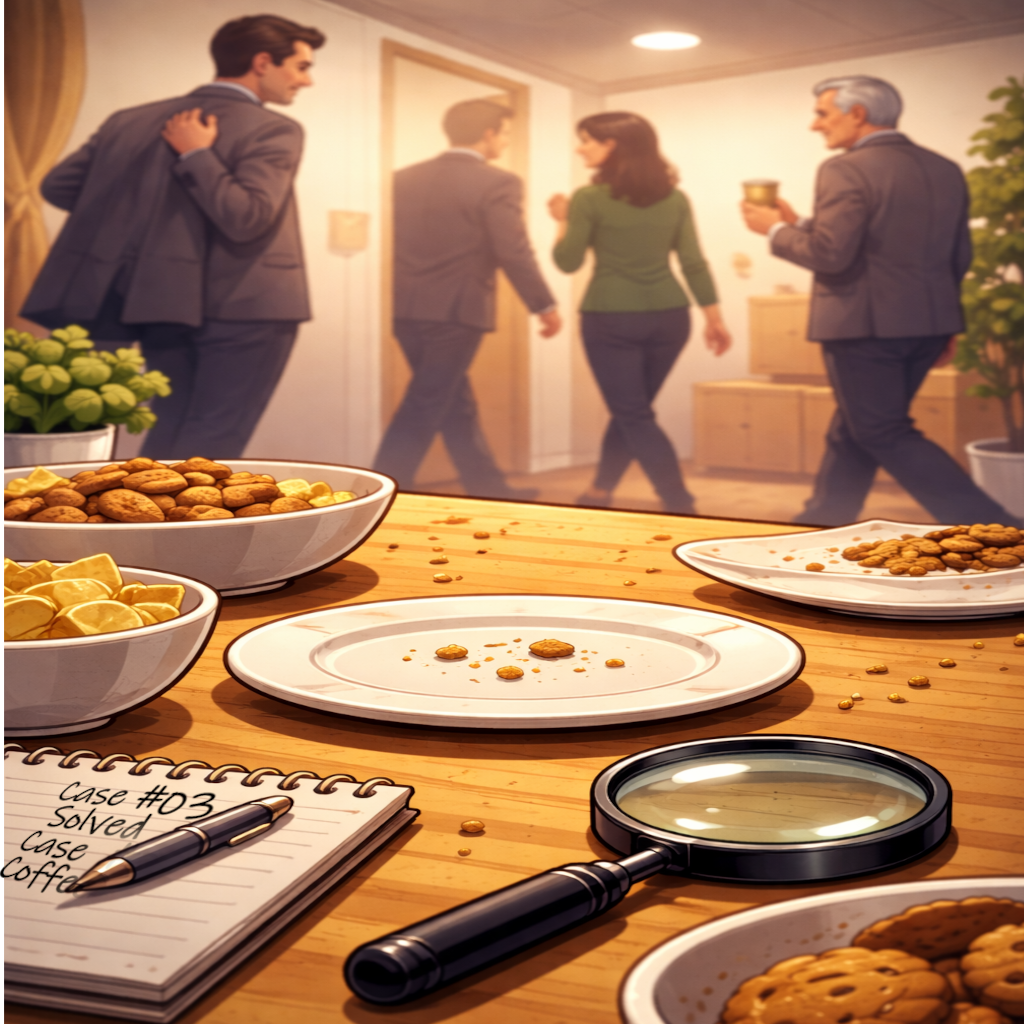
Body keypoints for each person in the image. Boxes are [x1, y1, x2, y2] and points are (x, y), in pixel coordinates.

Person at [21, 14, 325, 459]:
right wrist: (197, 155)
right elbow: (248, 217)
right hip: (249, 306)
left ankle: (152, 505)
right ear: (262, 62)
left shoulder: (129, 121)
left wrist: (134, 217)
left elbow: (59, 187)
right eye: (301, 66)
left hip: (160, 302)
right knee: (218, 434)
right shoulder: (275, 128)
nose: (306, 80)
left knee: (169, 428)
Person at [741, 75, 1017, 527]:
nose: (815, 125)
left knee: (880, 429)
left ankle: (998, 527)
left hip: (864, 328)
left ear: (857, 114)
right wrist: (800, 223)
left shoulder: (844, 168)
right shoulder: (944, 168)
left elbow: (831, 255)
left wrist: (773, 230)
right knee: (855, 427)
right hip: (928, 326)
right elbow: (953, 255)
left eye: (822, 113)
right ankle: (822, 520)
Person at [374, 99, 561, 499]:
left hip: (402, 309)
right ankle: (381, 492)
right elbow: (513, 249)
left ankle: (487, 484)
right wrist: (543, 305)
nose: (505, 141)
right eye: (504, 133)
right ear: (488, 133)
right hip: (457, 310)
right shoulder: (498, 182)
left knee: (451, 396)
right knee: (428, 399)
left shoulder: (402, 178)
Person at [549, 112, 731, 514]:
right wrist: (714, 319)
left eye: (587, 140)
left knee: (632, 412)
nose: (580, 148)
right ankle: (600, 489)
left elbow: (567, 261)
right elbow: (693, 262)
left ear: (611, 145)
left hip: (611, 317)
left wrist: (562, 221)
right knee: (632, 410)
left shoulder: (587, 199)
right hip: (671, 319)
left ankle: (679, 501)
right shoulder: (676, 198)